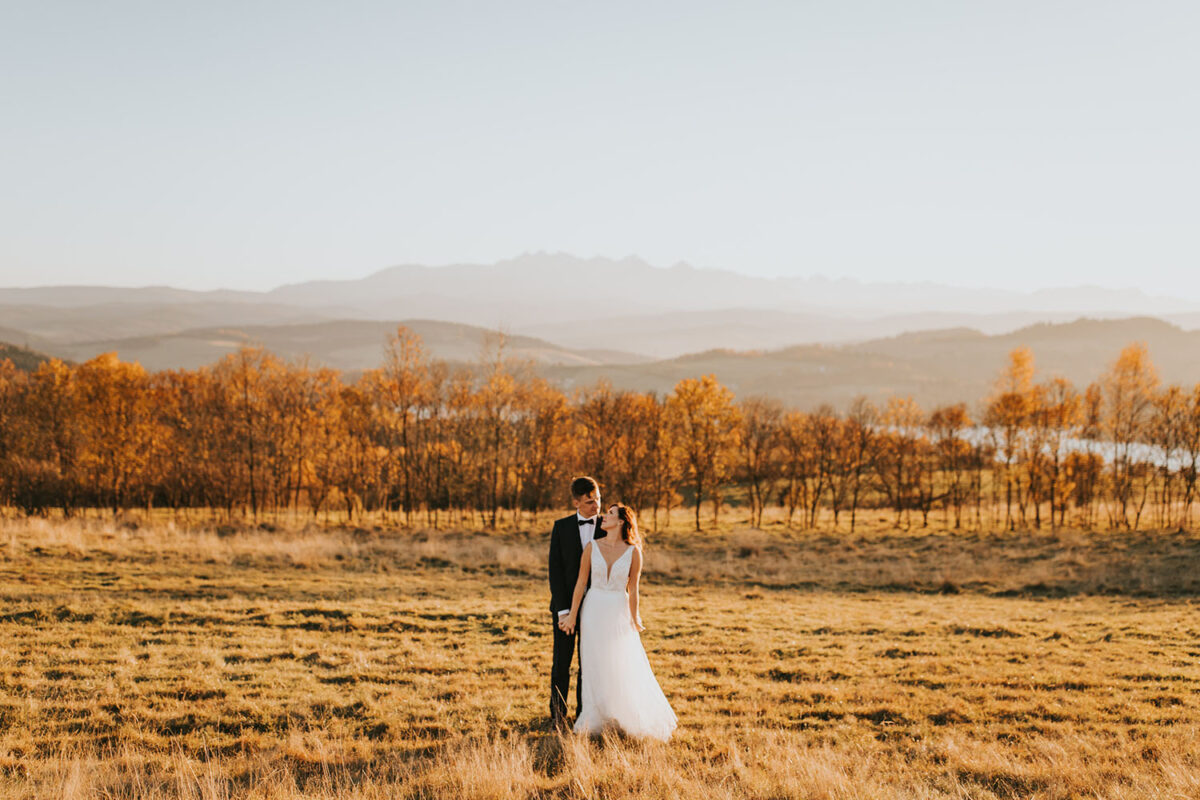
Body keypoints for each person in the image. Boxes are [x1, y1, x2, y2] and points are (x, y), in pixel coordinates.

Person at [560, 503, 676, 741]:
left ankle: (623, 714)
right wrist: (572, 615)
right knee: (593, 663)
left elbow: (633, 589)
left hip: (618, 610)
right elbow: (581, 584)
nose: (604, 516)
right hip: (593, 608)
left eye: (610, 514)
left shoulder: (634, 551)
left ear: (621, 522)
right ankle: (593, 717)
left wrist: (635, 618)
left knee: (620, 661)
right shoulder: (592, 547)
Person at [547, 476, 603, 729]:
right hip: (565, 607)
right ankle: (558, 715)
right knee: (561, 661)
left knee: (588, 663)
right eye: (590, 502)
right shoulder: (561, 528)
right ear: (576, 502)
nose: (596, 506)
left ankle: (583, 715)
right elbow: (555, 572)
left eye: (598, 500)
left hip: (597, 608)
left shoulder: (609, 526)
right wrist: (563, 611)